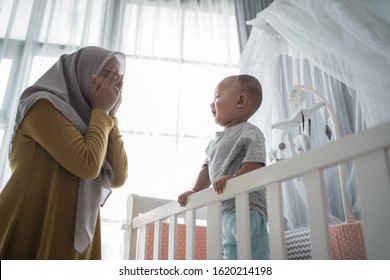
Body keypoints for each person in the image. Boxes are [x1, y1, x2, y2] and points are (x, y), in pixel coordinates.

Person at [0, 46, 128, 259]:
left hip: (68, 240)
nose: (111, 86)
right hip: (30, 224)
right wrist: (102, 112)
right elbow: (87, 165)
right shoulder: (40, 106)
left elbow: (118, 177)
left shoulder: (97, 123)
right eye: (107, 76)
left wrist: (111, 118)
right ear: (83, 72)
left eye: (117, 80)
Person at [177, 74, 269, 260]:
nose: (212, 104)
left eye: (217, 97)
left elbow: (256, 163)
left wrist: (234, 180)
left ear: (240, 100)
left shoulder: (250, 132)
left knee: (254, 257)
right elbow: (205, 173)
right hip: (224, 211)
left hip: (247, 207)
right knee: (230, 257)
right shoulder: (214, 142)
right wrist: (194, 190)